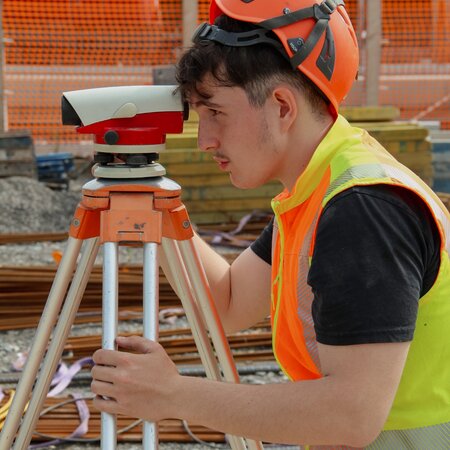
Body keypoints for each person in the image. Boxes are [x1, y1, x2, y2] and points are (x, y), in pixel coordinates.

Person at [90, 1, 450, 448]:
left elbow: (350, 416)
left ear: (281, 106)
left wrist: (174, 395)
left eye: (216, 112)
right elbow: (229, 303)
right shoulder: (320, 189)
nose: (205, 141)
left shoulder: (363, 208)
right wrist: (154, 204)